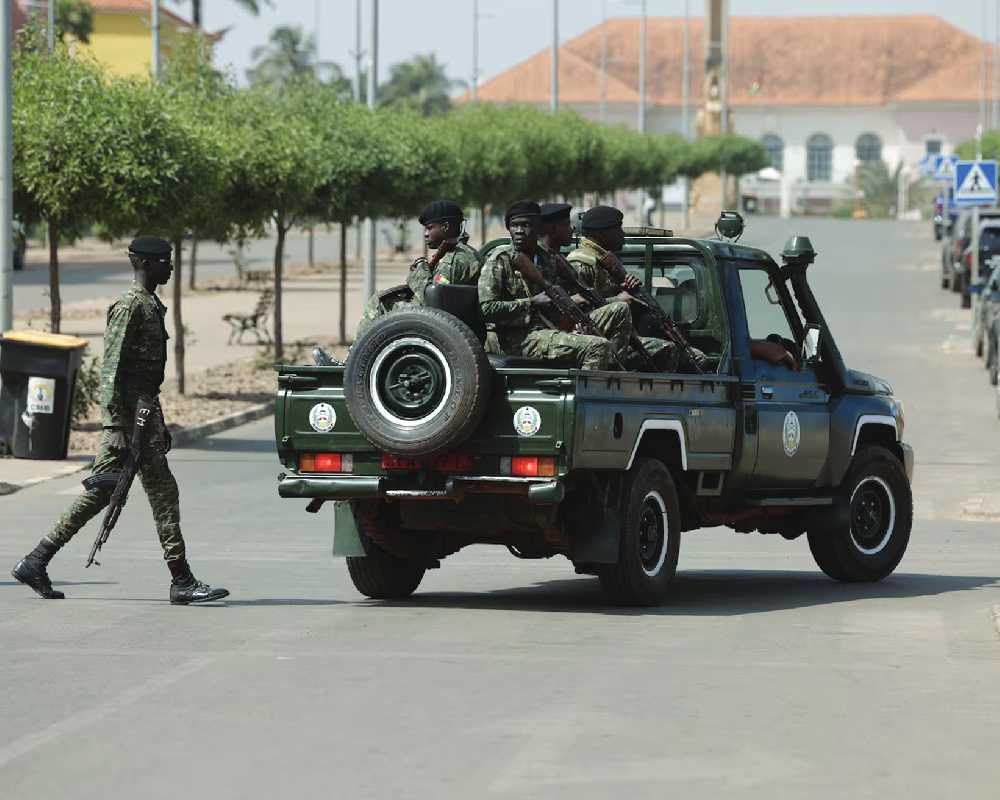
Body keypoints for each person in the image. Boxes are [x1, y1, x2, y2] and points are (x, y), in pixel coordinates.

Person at [11, 236, 229, 605]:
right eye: (164, 261)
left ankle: (37, 561)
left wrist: (158, 420)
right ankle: (181, 580)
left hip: (142, 415)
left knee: (122, 492)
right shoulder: (130, 306)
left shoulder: (150, 304)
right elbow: (110, 370)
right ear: (143, 263)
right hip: (127, 420)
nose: (171, 267)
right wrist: (113, 426)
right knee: (144, 492)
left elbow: (146, 379)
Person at [478, 200, 629, 370]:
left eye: (526, 225)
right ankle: (585, 393)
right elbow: (486, 309)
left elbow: (564, 297)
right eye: (514, 225)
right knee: (597, 346)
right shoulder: (500, 259)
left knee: (619, 310)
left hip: (547, 329)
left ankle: (614, 372)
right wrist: (531, 303)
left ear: (538, 228)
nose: (519, 231)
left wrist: (573, 319)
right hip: (514, 338)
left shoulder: (546, 258)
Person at [566, 205, 694, 372]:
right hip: (592, 337)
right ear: (601, 233)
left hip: (614, 334)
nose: (622, 233)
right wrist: (617, 299)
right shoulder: (582, 263)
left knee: (692, 356)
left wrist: (626, 289)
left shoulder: (605, 260)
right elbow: (575, 309)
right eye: (617, 228)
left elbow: (600, 295)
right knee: (667, 350)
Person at [358, 200, 482, 334]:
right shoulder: (465, 252)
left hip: (443, 325)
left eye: (429, 228)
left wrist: (419, 273)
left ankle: (358, 352)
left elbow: (434, 300)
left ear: (445, 227)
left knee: (379, 303)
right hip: (454, 323)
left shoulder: (454, 258)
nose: (425, 234)